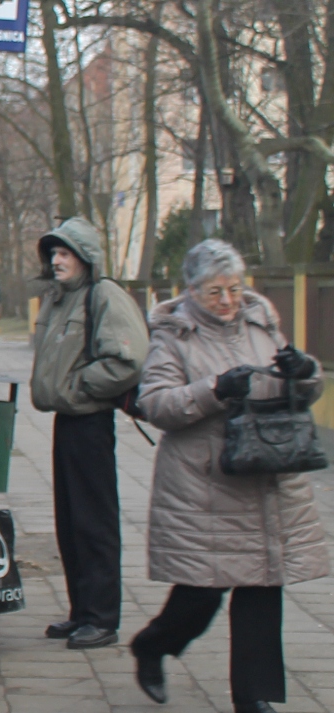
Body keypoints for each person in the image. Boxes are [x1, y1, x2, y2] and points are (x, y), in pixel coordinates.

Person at [129, 239, 329, 713]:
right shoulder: (174, 334)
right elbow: (155, 403)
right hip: (205, 484)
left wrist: (305, 372)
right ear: (192, 290)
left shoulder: (262, 320)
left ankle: (253, 697)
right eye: (216, 291)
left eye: (234, 289)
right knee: (201, 592)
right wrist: (215, 389)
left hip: (267, 475)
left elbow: (301, 383)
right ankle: (153, 645)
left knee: (262, 587)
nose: (227, 301)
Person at [30, 216, 149, 649]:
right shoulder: (62, 298)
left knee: (94, 522)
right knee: (70, 521)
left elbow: (127, 359)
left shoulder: (104, 295)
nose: (56, 260)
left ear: (85, 258)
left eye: (64, 253)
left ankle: (101, 617)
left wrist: (82, 387)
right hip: (68, 420)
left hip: (90, 421)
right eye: (53, 253)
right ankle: (82, 611)